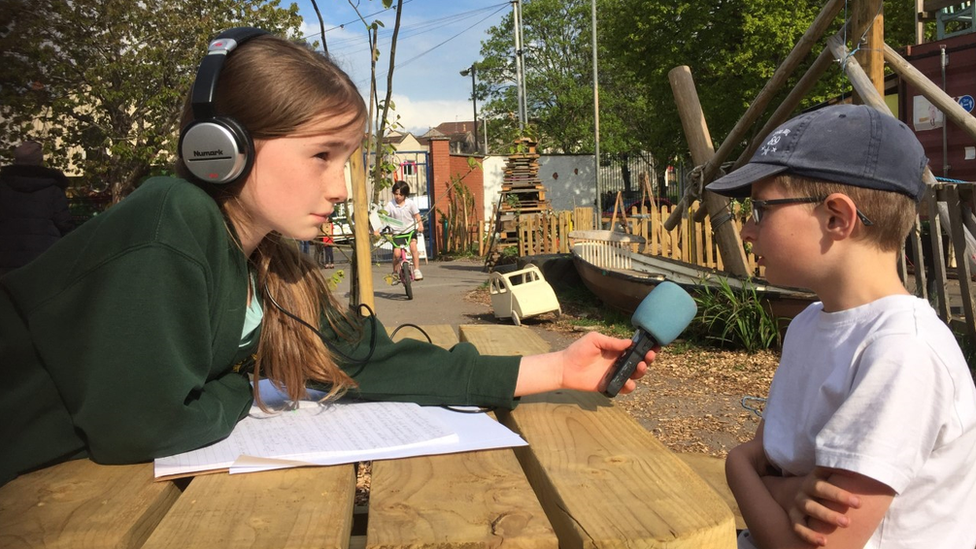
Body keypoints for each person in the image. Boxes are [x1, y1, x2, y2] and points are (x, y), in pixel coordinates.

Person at [0, 28, 654, 487]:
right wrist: (242, 385)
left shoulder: (272, 271)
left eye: (345, 160)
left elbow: (374, 357)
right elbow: (141, 427)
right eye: (321, 155)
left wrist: (556, 370)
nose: (341, 187)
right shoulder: (173, 216)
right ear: (222, 147)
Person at [707, 104, 976, 549]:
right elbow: (772, 459)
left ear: (837, 218)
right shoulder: (810, 324)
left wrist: (736, 468)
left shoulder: (902, 352)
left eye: (760, 209)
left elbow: (808, 540)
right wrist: (779, 486)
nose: (747, 231)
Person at [0, 140, 74, 275]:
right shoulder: (52, 189)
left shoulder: (3, 187)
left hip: (6, 258)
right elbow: (65, 224)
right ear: (40, 161)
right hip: (43, 257)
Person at [384, 179, 424, 280]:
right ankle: (395, 272)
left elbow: (417, 215)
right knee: (397, 254)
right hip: (397, 233)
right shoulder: (390, 205)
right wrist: (376, 230)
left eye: (401, 194)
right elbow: (382, 217)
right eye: (396, 194)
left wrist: (420, 225)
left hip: (410, 230)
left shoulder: (410, 203)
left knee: (413, 247)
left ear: (405, 195)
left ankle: (417, 270)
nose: (398, 197)